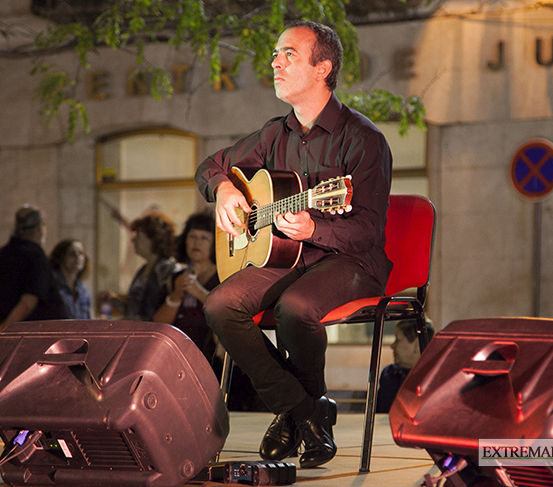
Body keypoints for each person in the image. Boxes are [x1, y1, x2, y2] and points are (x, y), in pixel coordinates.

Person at [196, 21, 393, 468]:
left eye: (288, 54)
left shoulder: (365, 140)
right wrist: (226, 191)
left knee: (296, 308)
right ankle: (304, 411)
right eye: (274, 55)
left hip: (350, 260)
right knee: (220, 305)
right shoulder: (273, 135)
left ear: (322, 68)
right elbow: (212, 166)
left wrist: (314, 231)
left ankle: (293, 415)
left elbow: (367, 228)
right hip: (286, 258)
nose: (275, 63)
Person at [0, 205, 66, 344]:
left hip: (6, 342)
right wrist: (3, 330)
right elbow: (28, 301)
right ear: (39, 229)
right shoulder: (36, 257)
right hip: (33, 340)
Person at [154, 212, 218, 363]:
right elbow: (158, 323)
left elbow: (225, 314)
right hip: (177, 355)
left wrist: (199, 292)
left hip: (211, 356)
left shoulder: (223, 276)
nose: (197, 243)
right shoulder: (176, 277)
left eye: (204, 238)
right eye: (192, 236)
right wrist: (176, 295)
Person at [105, 210, 178, 321]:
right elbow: (135, 311)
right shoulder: (144, 269)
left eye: (138, 234)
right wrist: (115, 301)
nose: (133, 239)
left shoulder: (166, 268)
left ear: (154, 238)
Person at [376, 319, 435, 414]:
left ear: (416, 345)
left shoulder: (434, 379)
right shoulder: (390, 374)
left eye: (398, 340)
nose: (392, 346)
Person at [49, 239, 91, 319]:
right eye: (72, 254)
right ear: (60, 257)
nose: (77, 257)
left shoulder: (82, 290)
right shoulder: (52, 285)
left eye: (81, 253)